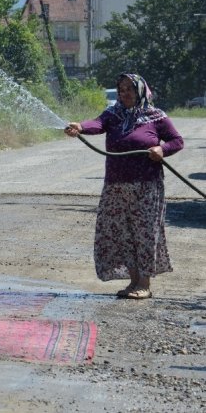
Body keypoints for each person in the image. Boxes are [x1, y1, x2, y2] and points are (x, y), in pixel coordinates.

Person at [64, 73, 184, 299]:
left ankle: (144, 284)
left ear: (139, 90)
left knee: (145, 233)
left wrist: (162, 150)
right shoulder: (113, 114)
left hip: (147, 187)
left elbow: (177, 141)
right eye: (121, 89)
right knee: (121, 233)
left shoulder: (155, 116)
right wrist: (80, 126)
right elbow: (97, 124)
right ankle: (133, 282)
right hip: (115, 186)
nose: (124, 93)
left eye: (129, 88)